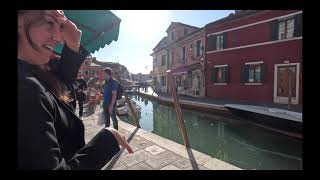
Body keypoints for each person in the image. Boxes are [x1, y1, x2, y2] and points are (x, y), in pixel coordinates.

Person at [18, 10, 132, 170]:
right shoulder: (26, 87)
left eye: (60, 27)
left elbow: (59, 85)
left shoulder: (31, 72)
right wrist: (108, 140)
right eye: (49, 22)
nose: (58, 38)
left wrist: (72, 46)